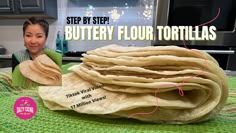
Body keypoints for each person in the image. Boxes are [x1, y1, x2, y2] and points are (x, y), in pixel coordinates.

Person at [12, 17, 62, 87]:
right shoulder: (17, 57)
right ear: (23, 37)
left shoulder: (57, 57)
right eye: (28, 35)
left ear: (46, 38)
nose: (33, 41)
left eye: (39, 36)